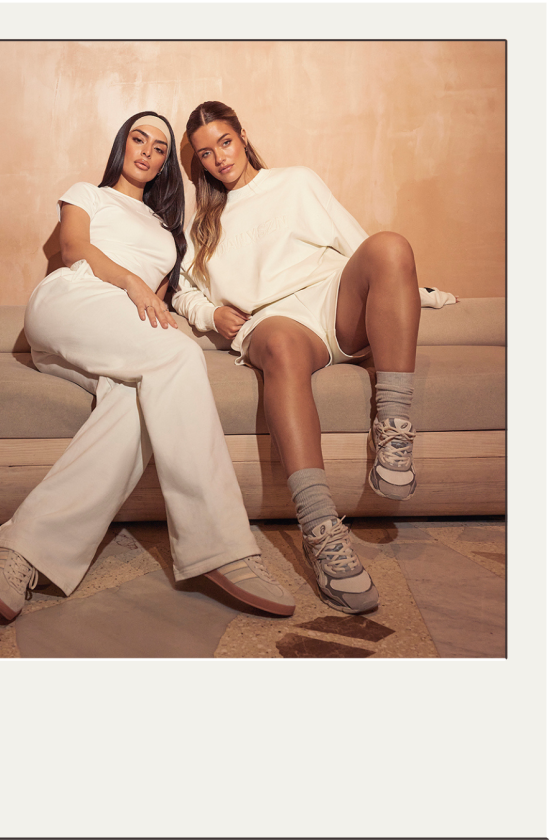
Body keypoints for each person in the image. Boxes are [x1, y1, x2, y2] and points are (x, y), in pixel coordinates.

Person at [0, 110, 295, 622]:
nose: (147, 151)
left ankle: (24, 550)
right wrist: (131, 283)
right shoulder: (88, 193)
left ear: (166, 163)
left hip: (118, 331)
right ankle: (222, 547)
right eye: (138, 139)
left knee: (135, 401)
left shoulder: (168, 231)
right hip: (72, 302)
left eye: (160, 148)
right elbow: (74, 249)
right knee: (179, 353)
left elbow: (162, 303)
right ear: (122, 145)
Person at [175, 100, 455, 615]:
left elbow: (361, 248)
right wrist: (209, 313)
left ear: (242, 136)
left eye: (225, 142)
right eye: (205, 153)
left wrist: (415, 292)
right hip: (277, 321)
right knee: (280, 344)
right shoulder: (202, 226)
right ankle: (321, 529)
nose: (219, 158)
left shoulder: (297, 182)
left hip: (331, 300)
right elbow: (182, 292)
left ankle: (393, 428)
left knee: (391, 243)